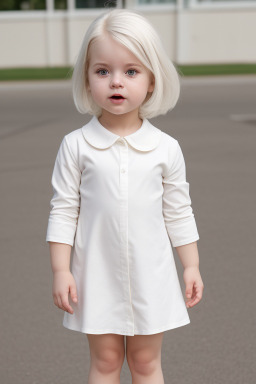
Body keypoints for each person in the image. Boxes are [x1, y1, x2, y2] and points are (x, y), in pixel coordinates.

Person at [46, 8, 204, 384]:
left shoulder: (166, 149)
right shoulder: (76, 146)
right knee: (106, 361)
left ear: (151, 80)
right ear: (87, 79)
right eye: (103, 71)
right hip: (94, 274)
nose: (116, 82)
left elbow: (179, 211)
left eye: (131, 71)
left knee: (146, 364)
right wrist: (61, 269)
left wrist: (192, 265)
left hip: (152, 274)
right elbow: (64, 210)